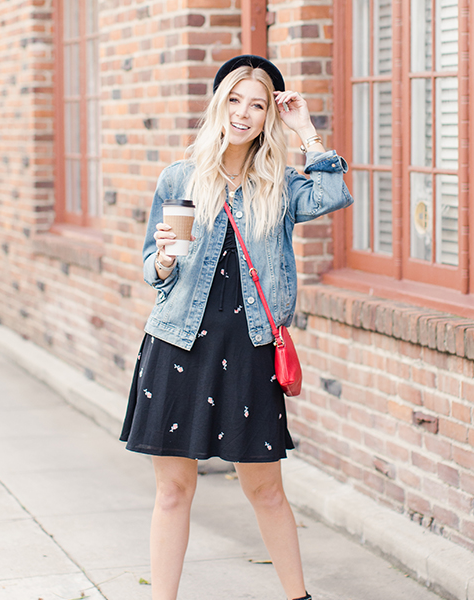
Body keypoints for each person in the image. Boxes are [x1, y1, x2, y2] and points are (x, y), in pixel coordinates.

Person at [120, 55, 353, 600]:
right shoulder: (180, 177)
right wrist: (164, 260)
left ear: (268, 116)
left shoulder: (279, 183)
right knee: (174, 490)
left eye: (256, 105)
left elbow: (334, 193)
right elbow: (153, 266)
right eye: (234, 100)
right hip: (178, 343)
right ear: (218, 103)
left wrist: (305, 130)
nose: (243, 114)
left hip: (250, 348)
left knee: (266, 488)